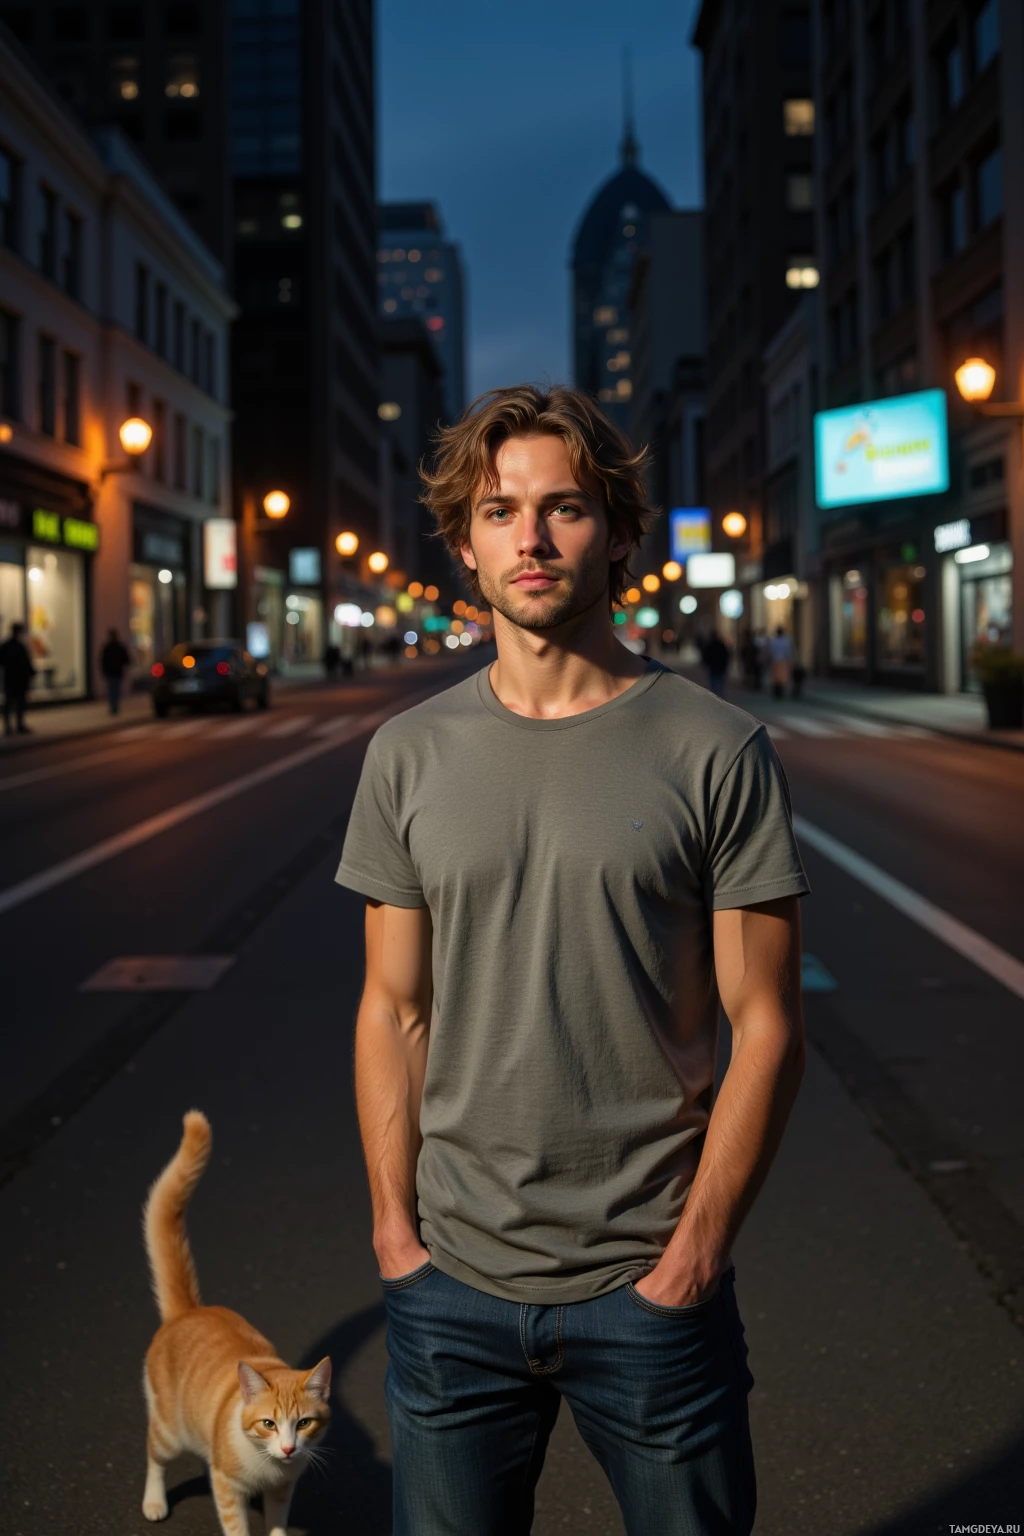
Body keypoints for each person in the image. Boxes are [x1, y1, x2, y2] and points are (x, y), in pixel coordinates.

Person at [337, 384, 808, 1536]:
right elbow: (392, 1009)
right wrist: (396, 1241)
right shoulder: (406, 755)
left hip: (648, 1293)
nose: (532, 540)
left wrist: (690, 1262)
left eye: (564, 509)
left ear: (620, 534)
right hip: (450, 1289)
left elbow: (768, 1025)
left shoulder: (715, 748)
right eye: (500, 513)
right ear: (463, 547)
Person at [0, 620, 35, 734]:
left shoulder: (9, 646)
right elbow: (26, 663)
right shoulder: (18, 647)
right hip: (17, 679)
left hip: (12, 678)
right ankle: (15, 725)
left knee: (12, 702)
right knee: (16, 702)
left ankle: (12, 726)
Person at [99, 628, 131, 714]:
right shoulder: (117, 647)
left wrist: (104, 670)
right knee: (115, 689)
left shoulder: (109, 647)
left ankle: (114, 706)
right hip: (116, 671)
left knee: (113, 689)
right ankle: (114, 706)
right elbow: (126, 659)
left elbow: (103, 660)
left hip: (113, 672)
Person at [701, 628, 730, 697]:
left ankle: (715, 697)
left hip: (713, 667)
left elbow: (706, 656)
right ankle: (719, 697)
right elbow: (726, 656)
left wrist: (707, 663)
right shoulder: (721, 645)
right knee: (719, 683)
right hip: (719, 667)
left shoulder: (710, 645)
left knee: (713, 683)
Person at [768, 625, 793, 700]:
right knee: (782, 677)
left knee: (777, 678)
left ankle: (777, 692)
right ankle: (781, 692)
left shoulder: (774, 641)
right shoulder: (786, 641)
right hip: (783, 660)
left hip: (776, 660)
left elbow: (771, 651)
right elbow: (788, 651)